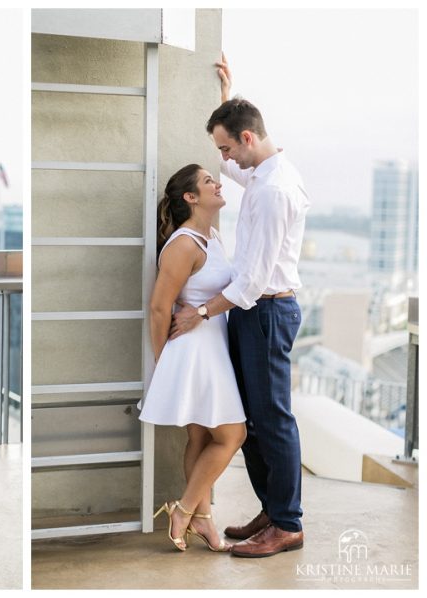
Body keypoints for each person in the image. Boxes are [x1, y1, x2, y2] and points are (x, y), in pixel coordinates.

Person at [169, 54, 310, 558]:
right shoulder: (261, 171)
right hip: (253, 313)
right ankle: (273, 508)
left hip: (266, 312)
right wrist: (228, 97)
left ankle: (288, 523)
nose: (224, 161)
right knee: (250, 420)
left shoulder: (274, 191)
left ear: (248, 139)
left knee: (272, 420)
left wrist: (201, 313)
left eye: (228, 146)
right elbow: (233, 162)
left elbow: (251, 282)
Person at [138, 164, 246, 553]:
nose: (217, 184)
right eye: (207, 181)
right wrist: (162, 363)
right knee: (233, 434)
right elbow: (158, 308)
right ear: (191, 198)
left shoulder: (211, 237)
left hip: (212, 345)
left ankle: (204, 521)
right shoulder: (184, 245)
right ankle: (183, 510)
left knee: (201, 437)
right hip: (193, 351)